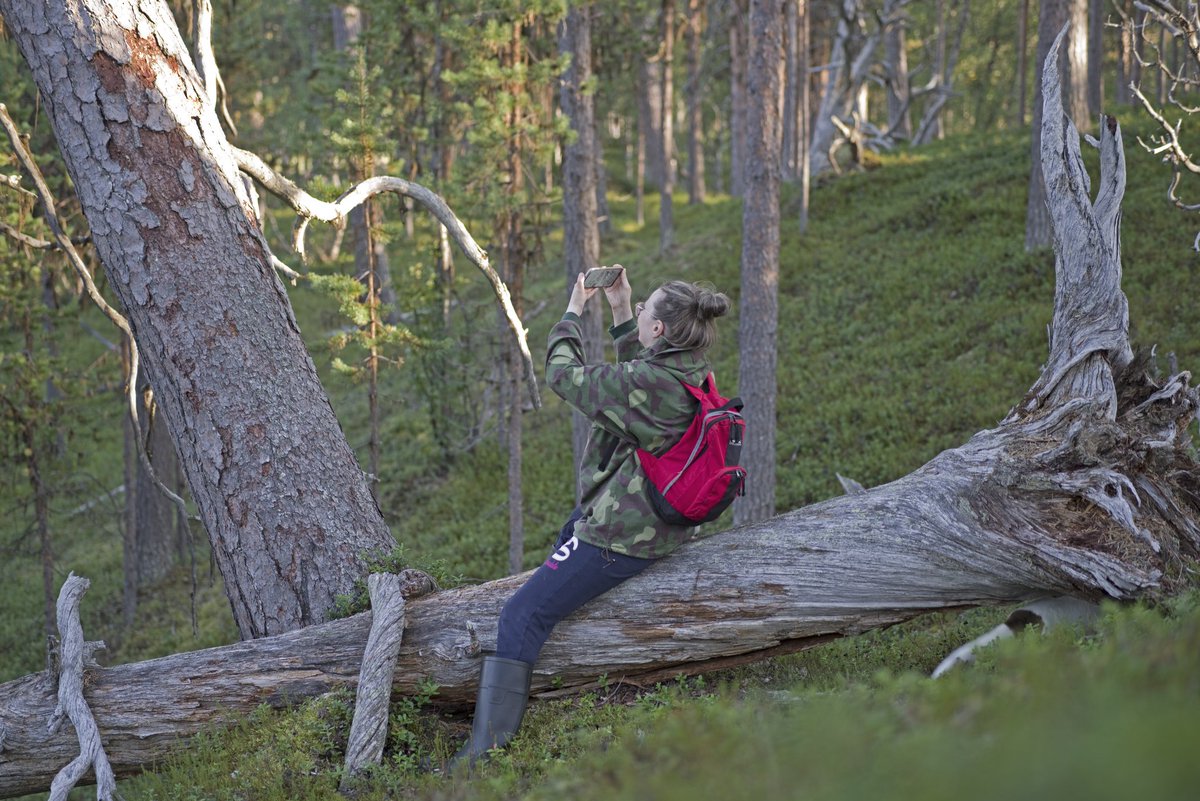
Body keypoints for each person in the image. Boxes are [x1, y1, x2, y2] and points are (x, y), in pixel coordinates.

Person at [448, 265, 732, 770]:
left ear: (659, 330)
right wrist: (622, 310)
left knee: (521, 615)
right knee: (562, 539)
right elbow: (636, 386)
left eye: (646, 307)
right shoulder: (690, 369)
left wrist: (574, 310)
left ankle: (484, 759)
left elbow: (564, 376)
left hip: (622, 536)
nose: (640, 308)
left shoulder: (653, 378)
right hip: (651, 520)